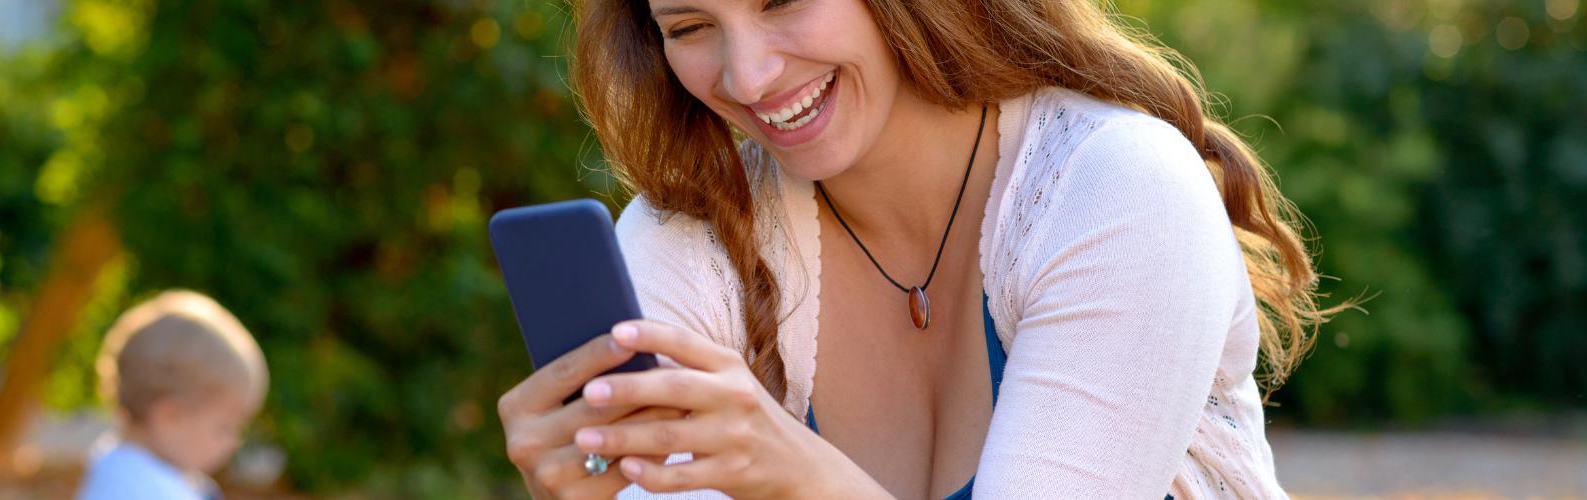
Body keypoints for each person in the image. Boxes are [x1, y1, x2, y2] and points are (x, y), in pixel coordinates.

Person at [496, 0, 1344, 498]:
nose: (748, 78)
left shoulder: (1115, 191)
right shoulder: (692, 242)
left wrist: (796, 475)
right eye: (689, 26)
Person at [78, 290, 269, 500]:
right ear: (171, 416)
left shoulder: (123, 470)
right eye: (224, 427)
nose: (233, 443)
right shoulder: (143, 489)